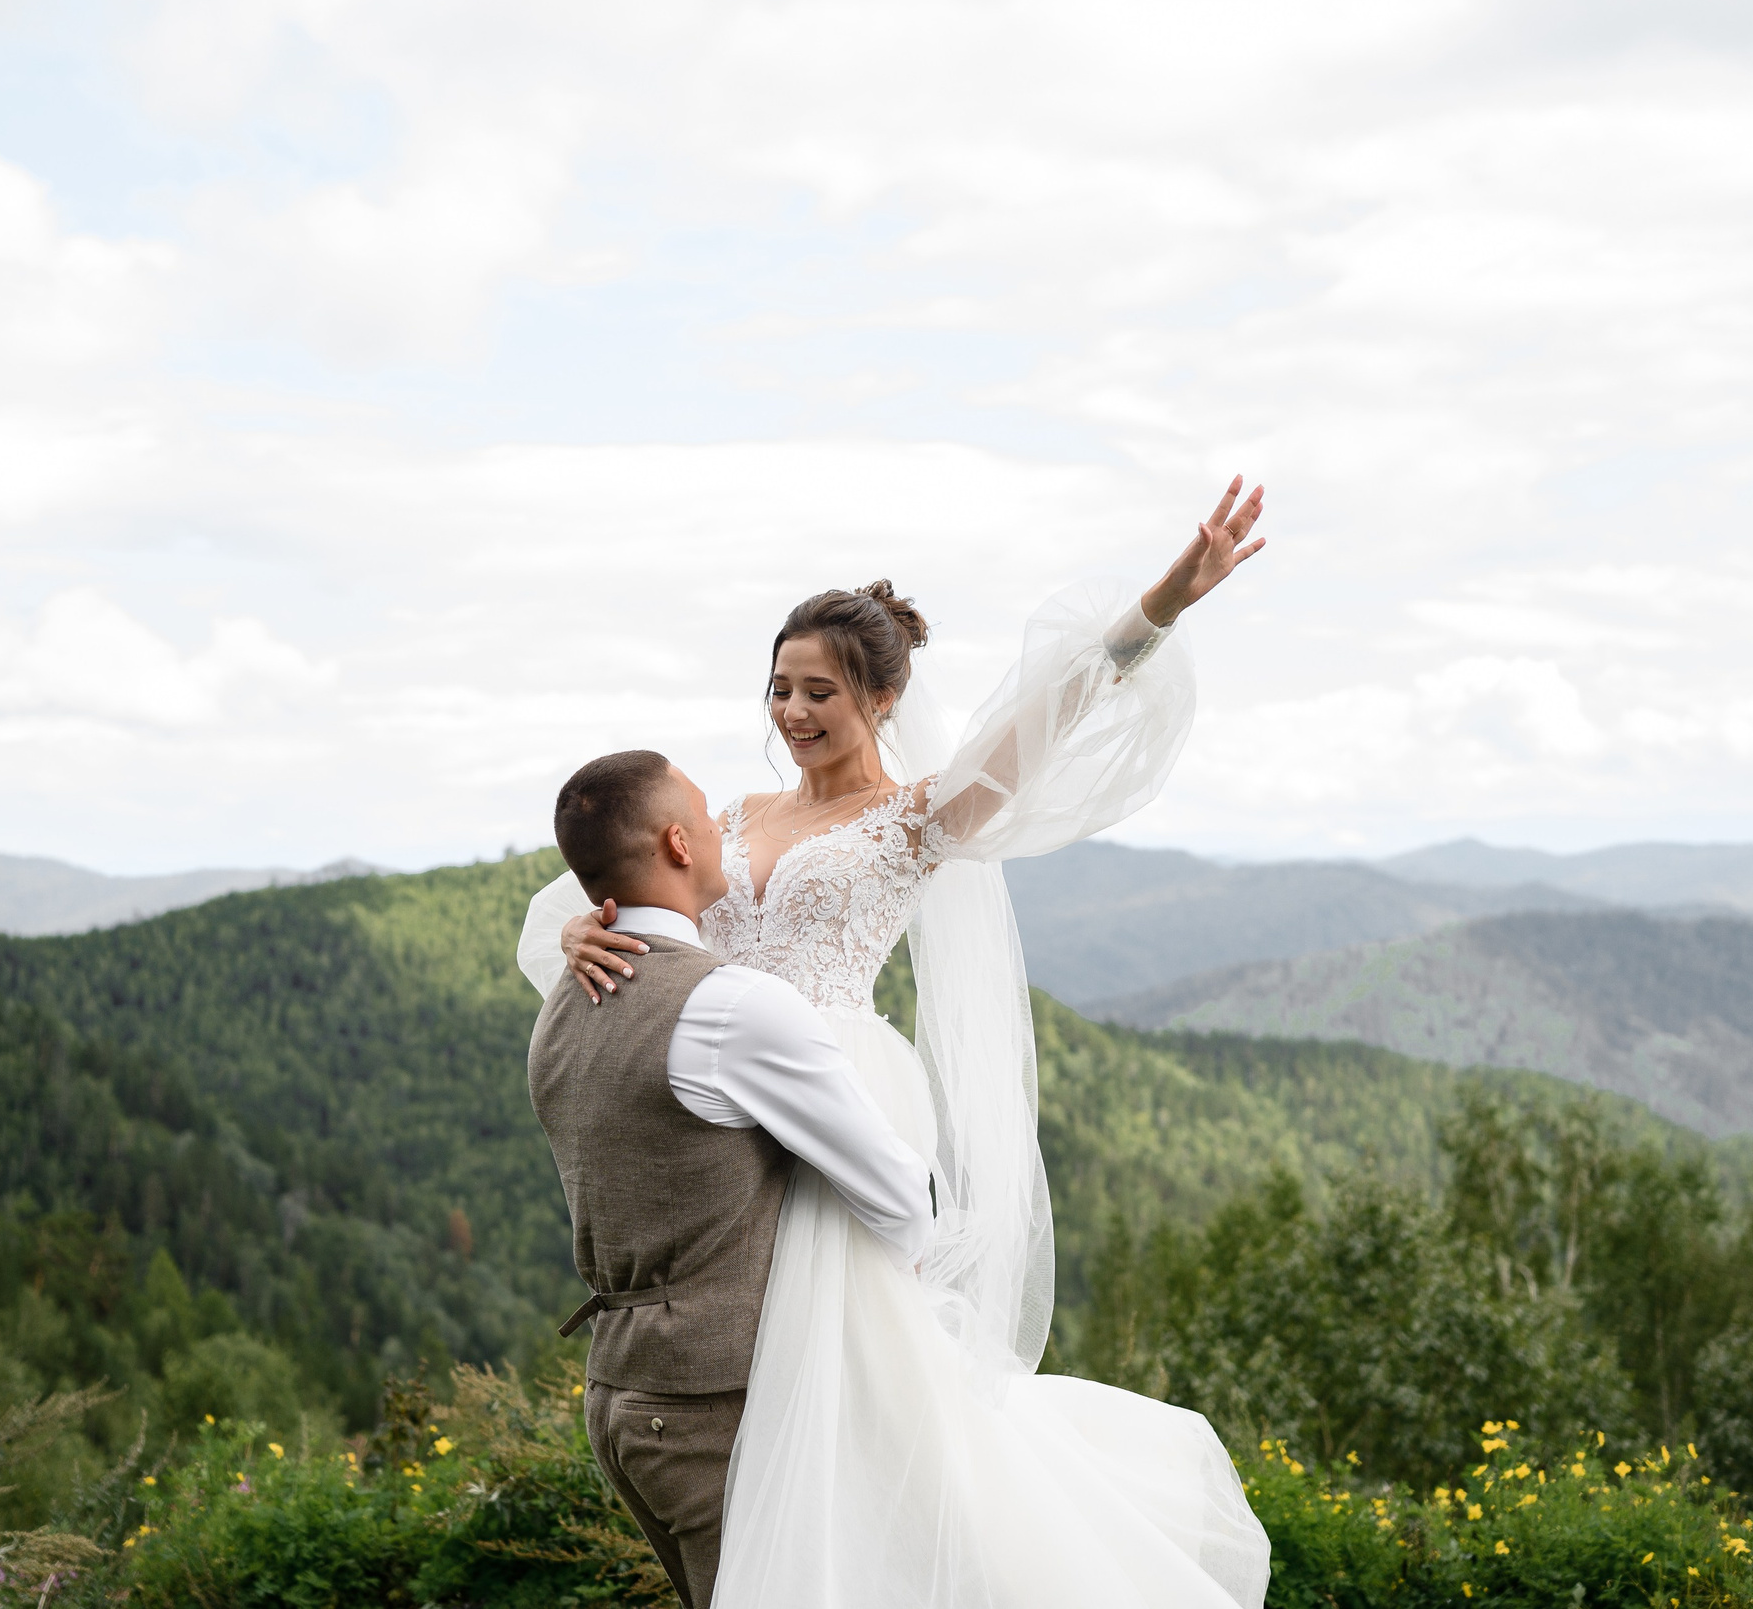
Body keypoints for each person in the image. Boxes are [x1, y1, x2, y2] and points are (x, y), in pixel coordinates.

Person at [519, 478, 1273, 1607]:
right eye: (779, 687)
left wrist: (1157, 608)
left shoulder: (919, 817)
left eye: (819, 690)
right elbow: (616, 889)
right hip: (719, 1083)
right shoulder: (729, 818)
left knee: (853, 1382)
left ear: (880, 696)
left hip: (836, 1089)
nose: (792, 711)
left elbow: (1040, 722)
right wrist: (585, 926)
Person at [527, 748, 937, 1609]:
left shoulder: (564, 1003)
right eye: (708, 815)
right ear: (678, 843)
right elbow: (898, 1193)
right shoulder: (732, 1006)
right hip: (713, 1406)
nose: (726, 829)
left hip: (620, 1395)